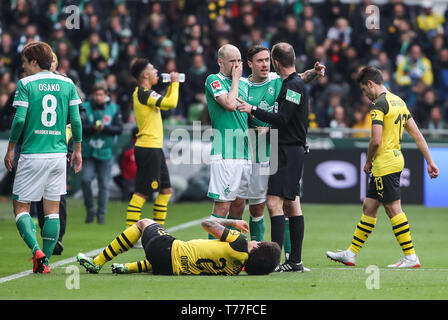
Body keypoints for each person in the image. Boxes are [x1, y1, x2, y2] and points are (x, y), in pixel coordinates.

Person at [326, 66, 439, 268]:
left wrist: (368, 161)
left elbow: (375, 141)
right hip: (395, 159)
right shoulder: (399, 101)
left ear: (370, 84)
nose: (365, 94)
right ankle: (351, 253)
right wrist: (430, 161)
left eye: (364, 90)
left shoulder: (378, 105)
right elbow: (417, 135)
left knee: (393, 209)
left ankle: (411, 256)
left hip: (384, 163)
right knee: (369, 207)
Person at [228, 45, 324, 260]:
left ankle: (282, 257)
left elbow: (298, 79)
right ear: (249, 64)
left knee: (270, 204)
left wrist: (314, 73)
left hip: (275, 149)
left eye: (267, 60)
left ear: (274, 62)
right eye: (259, 61)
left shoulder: (278, 80)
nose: (264, 64)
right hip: (248, 149)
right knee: (242, 203)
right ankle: (255, 254)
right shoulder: (242, 85)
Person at [4, 41, 83, 273]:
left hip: (32, 155)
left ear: (34, 62)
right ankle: (45, 263)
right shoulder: (68, 83)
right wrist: (77, 150)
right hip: (59, 156)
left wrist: (10, 148)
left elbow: (18, 120)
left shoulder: (26, 84)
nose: (24, 67)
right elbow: (76, 121)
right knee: (52, 212)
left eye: (25, 62)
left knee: (21, 208)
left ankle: (36, 250)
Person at [76, 217, 281, 276]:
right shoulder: (236, 270)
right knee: (163, 258)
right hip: (169, 269)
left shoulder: (240, 243)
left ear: (255, 249)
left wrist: (232, 222)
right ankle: (126, 267)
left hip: (167, 250)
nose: (254, 240)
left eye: (258, 242)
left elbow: (207, 224)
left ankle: (97, 262)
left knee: (144, 223)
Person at [125, 58, 180, 239]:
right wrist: (175, 83)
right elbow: (171, 104)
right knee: (142, 192)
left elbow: (166, 101)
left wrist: (173, 85)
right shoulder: (142, 92)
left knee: (165, 191)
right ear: (146, 75)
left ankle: (158, 234)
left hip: (154, 148)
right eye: (154, 69)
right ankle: (130, 236)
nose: (157, 72)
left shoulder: (146, 93)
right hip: (148, 148)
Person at [203, 44, 251, 238]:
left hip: (245, 151)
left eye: (239, 61)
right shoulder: (214, 80)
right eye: (233, 61)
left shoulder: (244, 84)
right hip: (225, 151)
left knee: (239, 205)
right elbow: (230, 104)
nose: (237, 65)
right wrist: (237, 80)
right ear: (220, 62)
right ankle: (210, 252)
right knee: (222, 206)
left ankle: (230, 252)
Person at [81, 81, 123, 224]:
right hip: (88, 152)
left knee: (104, 185)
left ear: (106, 95)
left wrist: (104, 128)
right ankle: (90, 210)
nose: (98, 97)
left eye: (101, 94)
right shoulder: (85, 107)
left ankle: (101, 215)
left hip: (105, 152)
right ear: (93, 95)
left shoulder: (114, 108)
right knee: (85, 180)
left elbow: (119, 129)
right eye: (96, 94)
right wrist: (93, 128)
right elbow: (79, 126)